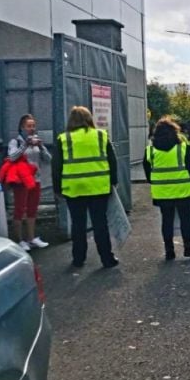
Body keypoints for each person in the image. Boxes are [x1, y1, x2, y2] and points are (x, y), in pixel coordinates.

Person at [53, 106, 119, 269]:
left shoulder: (64, 138)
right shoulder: (100, 135)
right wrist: (114, 181)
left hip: (74, 188)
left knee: (78, 224)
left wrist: (57, 189)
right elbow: (112, 160)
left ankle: (78, 258)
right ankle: (107, 258)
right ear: (89, 119)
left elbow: (57, 166)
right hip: (98, 187)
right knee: (100, 224)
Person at [144, 118, 190, 261]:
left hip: (162, 191)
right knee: (185, 219)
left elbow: (148, 172)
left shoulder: (150, 150)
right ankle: (188, 247)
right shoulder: (182, 147)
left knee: (166, 220)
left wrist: (157, 182)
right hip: (183, 189)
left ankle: (169, 250)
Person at [7, 114, 51, 251]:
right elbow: (12, 157)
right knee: (20, 208)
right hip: (21, 180)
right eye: (28, 126)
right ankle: (19, 239)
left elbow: (48, 159)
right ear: (22, 127)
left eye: (33, 126)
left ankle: (31, 238)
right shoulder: (16, 142)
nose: (31, 129)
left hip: (35, 179)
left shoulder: (36, 141)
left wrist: (41, 146)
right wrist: (26, 144)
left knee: (32, 208)